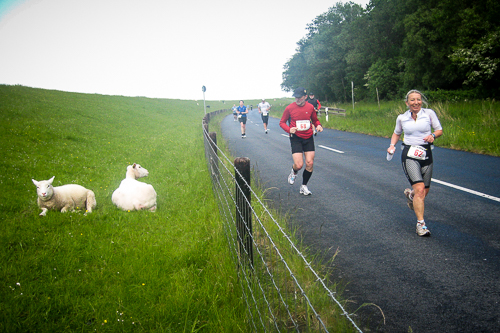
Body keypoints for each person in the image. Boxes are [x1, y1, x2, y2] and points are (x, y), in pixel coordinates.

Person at [387, 89, 443, 236]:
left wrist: (432, 135)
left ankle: (412, 197)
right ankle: (421, 225)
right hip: (410, 153)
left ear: (421, 101)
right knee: (419, 189)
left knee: (424, 191)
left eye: (418, 99)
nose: (416, 102)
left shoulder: (429, 113)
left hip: (426, 153)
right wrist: (392, 145)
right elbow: (397, 133)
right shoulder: (402, 118)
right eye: (412, 100)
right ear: (407, 103)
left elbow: (439, 130)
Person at [280, 87, 323, 196]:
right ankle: (293, 172)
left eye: (299, 97)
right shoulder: (289, 108)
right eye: (296, 97)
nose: (297, 99)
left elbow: (315, 120)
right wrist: (289, 129)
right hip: (296, 138)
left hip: (308, 137)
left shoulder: (310, 107)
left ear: (305, 97)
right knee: (299, 165)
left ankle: (304, 186)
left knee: (310, 163)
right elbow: (282, 122)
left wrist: (318, 125)